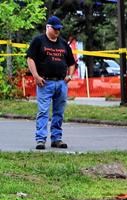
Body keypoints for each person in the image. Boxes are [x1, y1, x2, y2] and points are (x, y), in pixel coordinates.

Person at [26, 16, 77, 151]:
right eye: (55, 29)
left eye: (59, 29)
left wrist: (70, 75)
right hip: (45, 82)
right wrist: (36, 76)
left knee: (59, 112)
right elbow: (30, 59)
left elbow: (72, 63)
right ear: (48, 27)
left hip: (61, 83)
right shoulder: (39, 41)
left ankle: (56, 139)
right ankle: (41, 140)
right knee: (43, 111)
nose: (57, 31)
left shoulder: (63, 44)